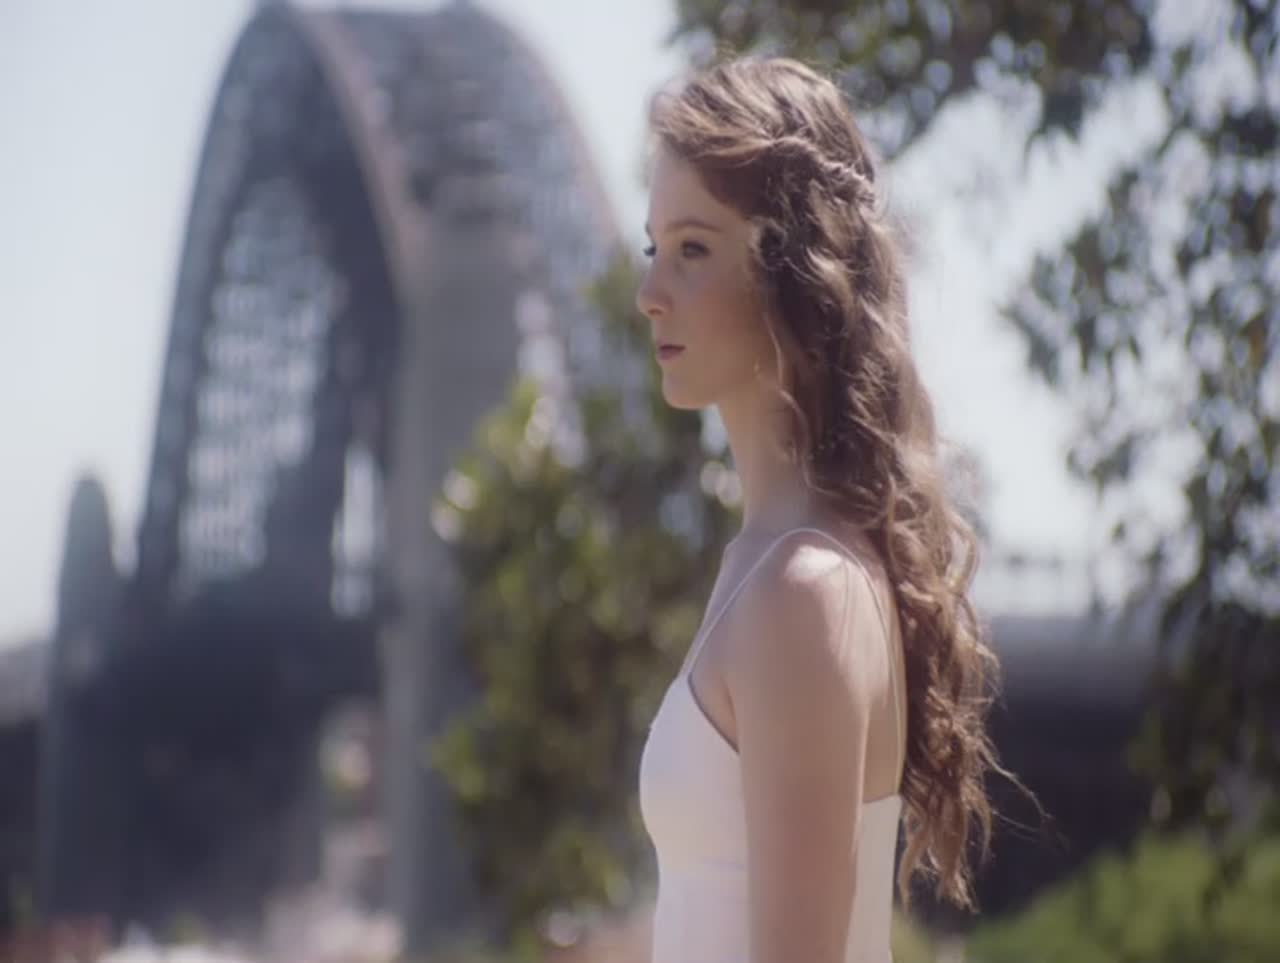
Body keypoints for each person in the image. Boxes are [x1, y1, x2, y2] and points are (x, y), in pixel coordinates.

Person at [635, 56, 1005, 963]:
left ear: (792, 273)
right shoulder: (766, 564)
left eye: (693, 250)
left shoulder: (802, 589)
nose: (649, 295)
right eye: (653, 249)